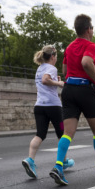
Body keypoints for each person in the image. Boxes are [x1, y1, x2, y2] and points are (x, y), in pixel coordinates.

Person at [49, 14, 95, 186]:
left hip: (69, 89)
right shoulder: (91, 46)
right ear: (88, 30)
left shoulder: (69, 47)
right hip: (85, 89)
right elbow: (86, 62)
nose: (93, 31)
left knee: (68, 133)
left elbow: (64, 67)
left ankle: (58, 166)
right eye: (92, 28)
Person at [22, 45, 74, 179]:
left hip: (39, 106)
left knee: (40, 134)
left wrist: (54, 82)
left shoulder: (39, 69)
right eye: (56, 56)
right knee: (62, 133)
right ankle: (63, 161)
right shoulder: (51, 68)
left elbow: (45, 80)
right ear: (52, 56)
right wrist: (60, 84)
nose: (56, 59)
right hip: (53, 107)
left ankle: (30, 160)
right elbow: (46, 80)